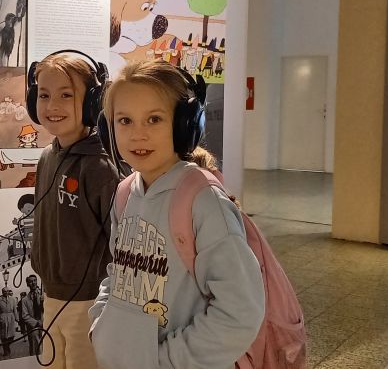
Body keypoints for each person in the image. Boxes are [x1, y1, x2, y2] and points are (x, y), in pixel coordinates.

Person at [89, 60, 265, 368]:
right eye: (125, 121)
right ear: (108, 129)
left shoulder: (203, 201)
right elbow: (119, 273)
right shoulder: (126, 193)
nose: (138, 134)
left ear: (185, 124)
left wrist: (165, 360)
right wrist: (102, 326)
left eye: (154, 119)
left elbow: (240, 312)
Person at [30, 51, 120, 368]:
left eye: (66, 95)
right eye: (44, 95)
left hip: (89, 303)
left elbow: (119, 242)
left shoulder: (101, 167)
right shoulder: (47, 157)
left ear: (94, 102)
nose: (52, 105)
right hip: (52, 295)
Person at [20, 274, 45, 356]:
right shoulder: (25, 300)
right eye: (30, 281)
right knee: (35, 349)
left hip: (45, 325)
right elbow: (25, 315)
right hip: (33, 327)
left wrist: (44, 302)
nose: (33, 283)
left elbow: (50, 309)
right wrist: (36, 323)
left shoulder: (44, 295)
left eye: (35, 280)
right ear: (27, 284)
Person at [0, 287, 18, 356]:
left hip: (11, 318)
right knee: (3, 336)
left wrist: (17, 318)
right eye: (4, 291)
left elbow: (15, 310)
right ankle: (5, 350)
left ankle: (7, 346)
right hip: (2, 318)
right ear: (2, 292)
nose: (6, 292)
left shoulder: (13, 299)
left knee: (12, 335)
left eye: (7, 291)